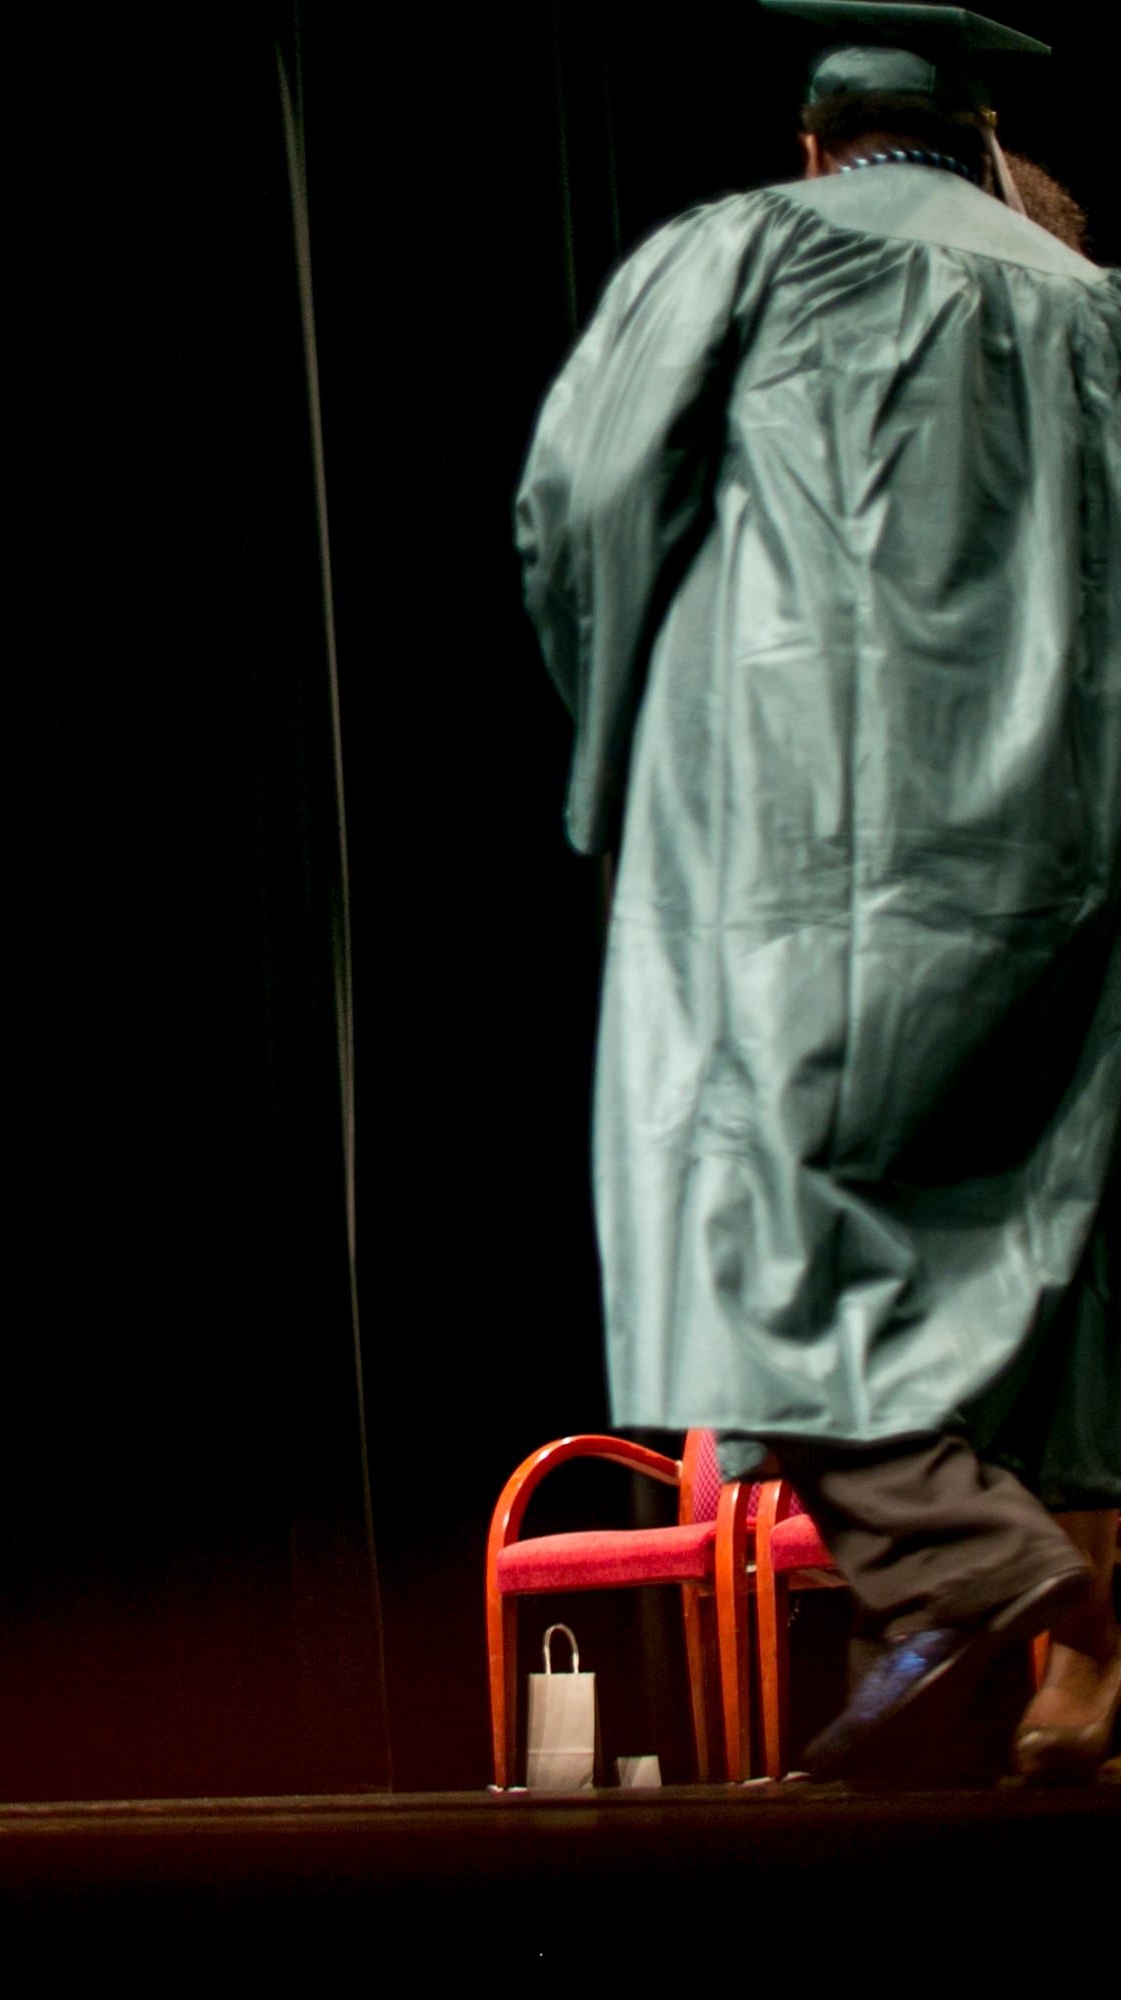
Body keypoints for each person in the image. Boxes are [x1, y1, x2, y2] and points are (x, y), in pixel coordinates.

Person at [517, 0, 1121, 1782]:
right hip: (1065, 837)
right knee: (1048, 1262)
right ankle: (1043, 1688)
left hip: (792, 840)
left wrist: (617, 736)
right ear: (979, 135)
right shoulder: (1089, 306)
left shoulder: (746, 250)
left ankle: (1020, 1598)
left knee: (738, 1229)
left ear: (815, 141)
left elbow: (585, 501)